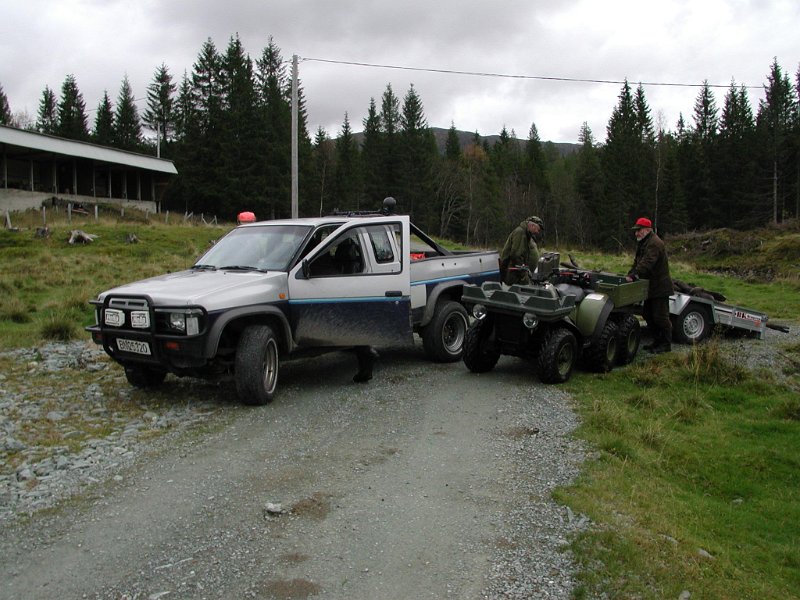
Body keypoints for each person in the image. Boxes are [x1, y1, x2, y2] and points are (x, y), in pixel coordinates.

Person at [626, 217, 673, 354]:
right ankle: (657, 341)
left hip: (660, 288)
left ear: (647, 230)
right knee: (648, 315)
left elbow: (647, 263)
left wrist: (634, 276)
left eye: (638, 230)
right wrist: (629, 274)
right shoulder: (644, 242)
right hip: (650, 287)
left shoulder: (655, 243)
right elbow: (637, 262)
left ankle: (666, 344)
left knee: (661, 317)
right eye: (636, 231)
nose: (636, 233)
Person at [499, 216, 544, 285]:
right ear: (532, 225)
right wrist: (523, 274)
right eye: (537, 229)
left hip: (519, 273)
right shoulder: (520, 233)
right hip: (514, 274)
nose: (537, 232)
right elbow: (516, 255)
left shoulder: (526, 234)